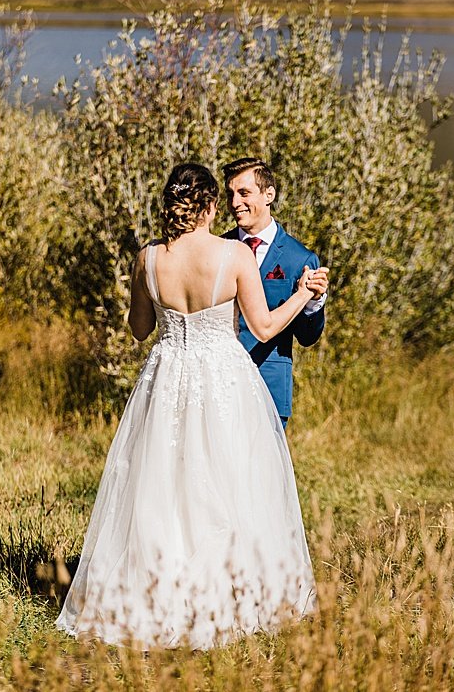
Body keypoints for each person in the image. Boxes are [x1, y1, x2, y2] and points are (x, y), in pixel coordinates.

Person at [55, 162, 320, 650]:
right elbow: (262, 328)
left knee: (161, 482)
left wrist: (155, 296)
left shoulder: (148, 258)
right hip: (224, 380)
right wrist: (303, 293)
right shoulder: (234, 255)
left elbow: (138, 329)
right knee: (231, 482)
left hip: (167, 377)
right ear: (212, 206)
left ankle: (156, 593)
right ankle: (233, 597)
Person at [221, 156, 328, 424]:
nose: (235, 203)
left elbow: (307, 337)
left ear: (269, 194)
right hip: (218, 385)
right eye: (231, 194)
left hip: (269, 387)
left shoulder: (299, 258)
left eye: (244, 193)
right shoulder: (217, 249)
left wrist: (314, 302)